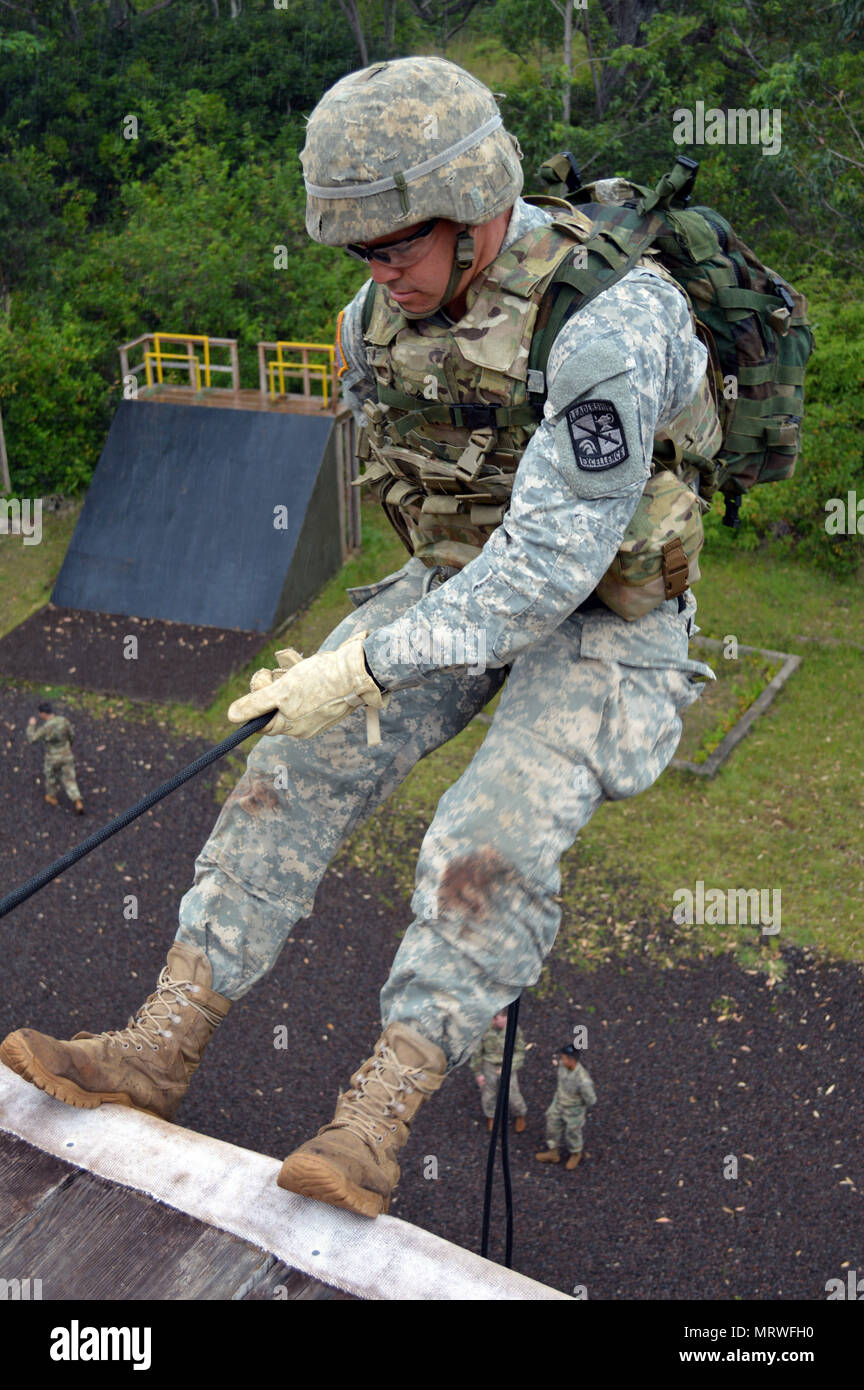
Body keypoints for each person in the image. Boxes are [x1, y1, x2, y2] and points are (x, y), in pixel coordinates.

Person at [1, 56, 716, 1221]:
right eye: (361, 252)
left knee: (485, 842)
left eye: (398, 246)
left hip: (606, 610)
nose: (379, 273)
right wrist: (351, 661)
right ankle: (160, 1044)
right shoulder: (369, 320)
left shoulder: (610, 322)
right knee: (288, 763)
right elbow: (429, 513)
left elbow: (550, 566)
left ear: (477, 212)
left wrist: (367, 660)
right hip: (452, 583)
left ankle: (376, 1118)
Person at [535, 1043, 596, 1170]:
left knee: (572, 1133)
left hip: (573, 1110)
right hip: (559, 1104)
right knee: (552, 1126)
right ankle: (553, 1152)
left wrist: (577, 1106)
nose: (561, 1060)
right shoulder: (563, 1066)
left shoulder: (582, 1080)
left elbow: (591, 1100)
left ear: (571, 1060)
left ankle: (575, 1152)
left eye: (563, 1058)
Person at [471, 1010, 528, 1132]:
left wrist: (509, 1066)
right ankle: (491, 1116)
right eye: (501, 1021)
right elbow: (477, 1053)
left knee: (513, 1094)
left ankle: (520, 1114)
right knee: (488, 1095)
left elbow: (520, 1052)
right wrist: (478, 1073)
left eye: (505, 1020)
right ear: (493, 1019)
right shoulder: (483, 1030)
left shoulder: (514, 1029)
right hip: (489, 1066)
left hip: (507, 1065)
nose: (504, 1025)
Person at [25, 702, 84, 815]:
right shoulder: (63, 721)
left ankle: (52, 796)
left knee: (51, 777)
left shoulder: (46, 727)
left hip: (52, 757)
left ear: (43, 714)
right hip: (66, 755)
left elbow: (32, 739)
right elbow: (72, 735)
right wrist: (67, 748)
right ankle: (77, 801)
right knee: (69, 778)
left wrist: (31, 725)